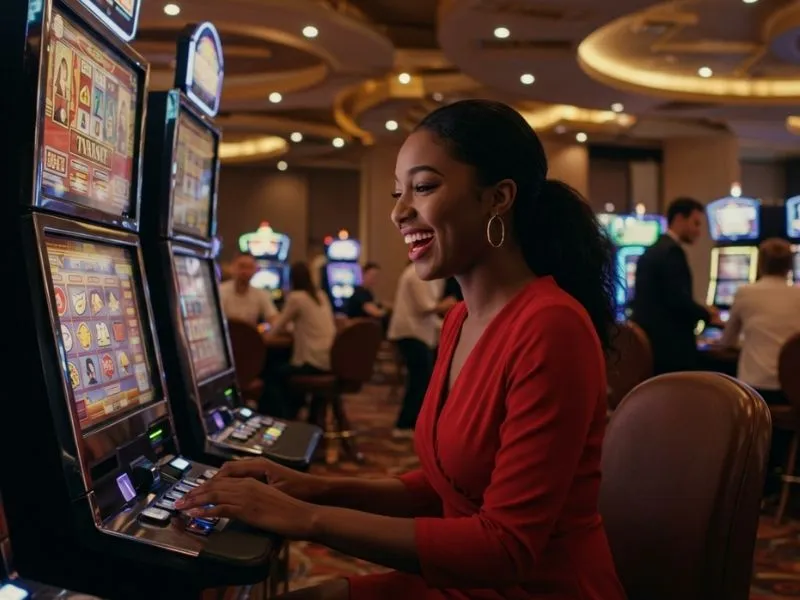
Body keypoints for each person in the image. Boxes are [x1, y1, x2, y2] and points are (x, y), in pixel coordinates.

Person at [176, 99, 625, 600]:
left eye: (425, 187)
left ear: (498, 198)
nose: (398, 211)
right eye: (397, 192)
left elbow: (506, 549)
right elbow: (445, 489)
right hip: (466, 581)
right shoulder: (459, 320)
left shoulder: (551, 326)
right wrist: (315, 487)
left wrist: (310, 519)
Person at [631, 197, 721, 374]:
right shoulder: (672, 252)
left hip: (651, 344)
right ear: (679, 219)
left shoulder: (653, 249)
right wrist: (708, 315)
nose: (699, 231)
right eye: (696, 223)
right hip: (670, 350)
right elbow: (677, 300)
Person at [718, 238, 800, 403]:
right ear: (790, 266)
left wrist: (750, 340)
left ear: (760, 264)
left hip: (755, 389)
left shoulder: (744, 292)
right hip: (794, 387)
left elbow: (727, 341)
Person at [263, 262, 337, 419]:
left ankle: (282, 419)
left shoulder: (296, 297)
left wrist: (263, 332)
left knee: (271, 374)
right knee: (282, 369)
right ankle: (300, 414)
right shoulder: (321, 295)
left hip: (311, 362)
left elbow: (275, 328)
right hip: (330, 360)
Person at [387, 263, 454, 437]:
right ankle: (403, 424)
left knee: (423, 380)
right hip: (410, 332)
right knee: (420, 380)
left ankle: (415, 422)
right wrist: (449, 303)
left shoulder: (431, 275)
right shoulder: (418, 273)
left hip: (419, 332)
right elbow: (426, 307)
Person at [219, 253, 278, 327]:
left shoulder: (261, 294)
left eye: (250, 267)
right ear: (232, 268)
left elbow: (273, 318)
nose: (245, 271)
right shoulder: (220, 291)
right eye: (242, 266)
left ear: (255, 270)